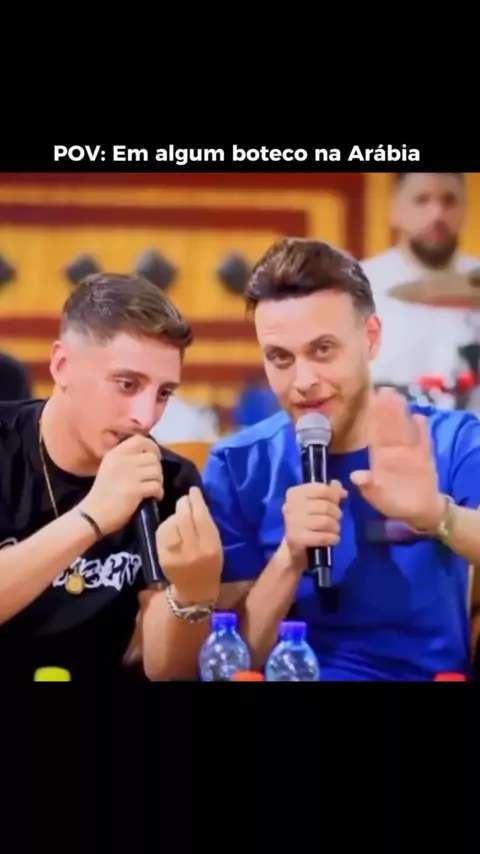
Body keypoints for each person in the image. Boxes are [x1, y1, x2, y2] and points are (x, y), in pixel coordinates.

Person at [202, 237, 480, 681]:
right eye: (280, 358)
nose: (304, 381)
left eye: (323, 350)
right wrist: (289, 557)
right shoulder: (238, 466)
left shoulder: (451, 439)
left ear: (370, 338)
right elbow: (233, 659)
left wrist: (438, 516)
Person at [0, 273, 223, 682]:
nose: (146, 417)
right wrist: (91, 518)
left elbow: (165, 670)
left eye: (163, 393)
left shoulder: (170, 479)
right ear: (62, 365)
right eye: (127, 384)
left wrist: (193, 595)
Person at [359, 173, 480, 387]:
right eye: (421, 200)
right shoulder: (357, 284)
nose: (437, 214)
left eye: (449, 200)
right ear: (394, 211)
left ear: (465, 209)